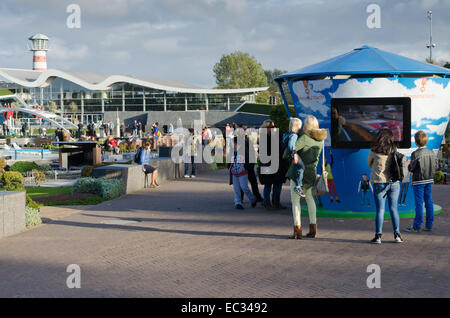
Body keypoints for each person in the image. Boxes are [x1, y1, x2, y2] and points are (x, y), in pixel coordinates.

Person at [286, 115, 327, 239]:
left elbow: (290, 151)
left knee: (295, 201)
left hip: (298, 172)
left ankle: (297, 230)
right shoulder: (321, 139)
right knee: (310, 199)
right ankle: (313, 228)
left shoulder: (304, 138)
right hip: (311, 172)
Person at [368, 128, 403, 244]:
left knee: (380, 210)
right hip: (394, 183)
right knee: (394, 209)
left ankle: (378, 237)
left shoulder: (374, 150)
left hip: (379, 183)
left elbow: (369, 163)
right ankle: (397, 235)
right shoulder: (394, 149)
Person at [405, 130, 438, 233]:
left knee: (419, 203)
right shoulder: (431, 153)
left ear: (416, 142)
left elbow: (411, 169)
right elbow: (436, 166)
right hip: (429, 180)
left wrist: (408, 164)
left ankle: (417, 226)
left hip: (418, 181)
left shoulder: (415, 154)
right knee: (429, 202)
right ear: (426, 141)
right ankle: (429, 225)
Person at [258, 120, 289, 210]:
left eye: (274, 127)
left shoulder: (277, 136)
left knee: (278, 184)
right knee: (268, 184)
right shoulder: (264, 138)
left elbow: (282, 148)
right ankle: (267, 203)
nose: (274, 128)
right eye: (271, 127)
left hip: (278, 164)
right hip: (268, 164)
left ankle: (276, 202)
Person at [229, 137, 257, 210]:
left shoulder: (244, 151)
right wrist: (230, 166)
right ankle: (238, 203)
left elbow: (249, 160)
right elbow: (229, 161)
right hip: (234, 173)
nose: (233, 145)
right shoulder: (232, 151)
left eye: (235, 144)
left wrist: (245, 167)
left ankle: (253, 199)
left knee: (244, 187)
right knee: (236, 189)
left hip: (243, 173)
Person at [282, 118, 305, 197]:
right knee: (301, 167)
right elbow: (291, 145)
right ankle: (298, 186)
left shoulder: (287, 133)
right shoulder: (294, 135)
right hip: (293, 154)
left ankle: (298, 184)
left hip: (288, 155)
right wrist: (295, 154)